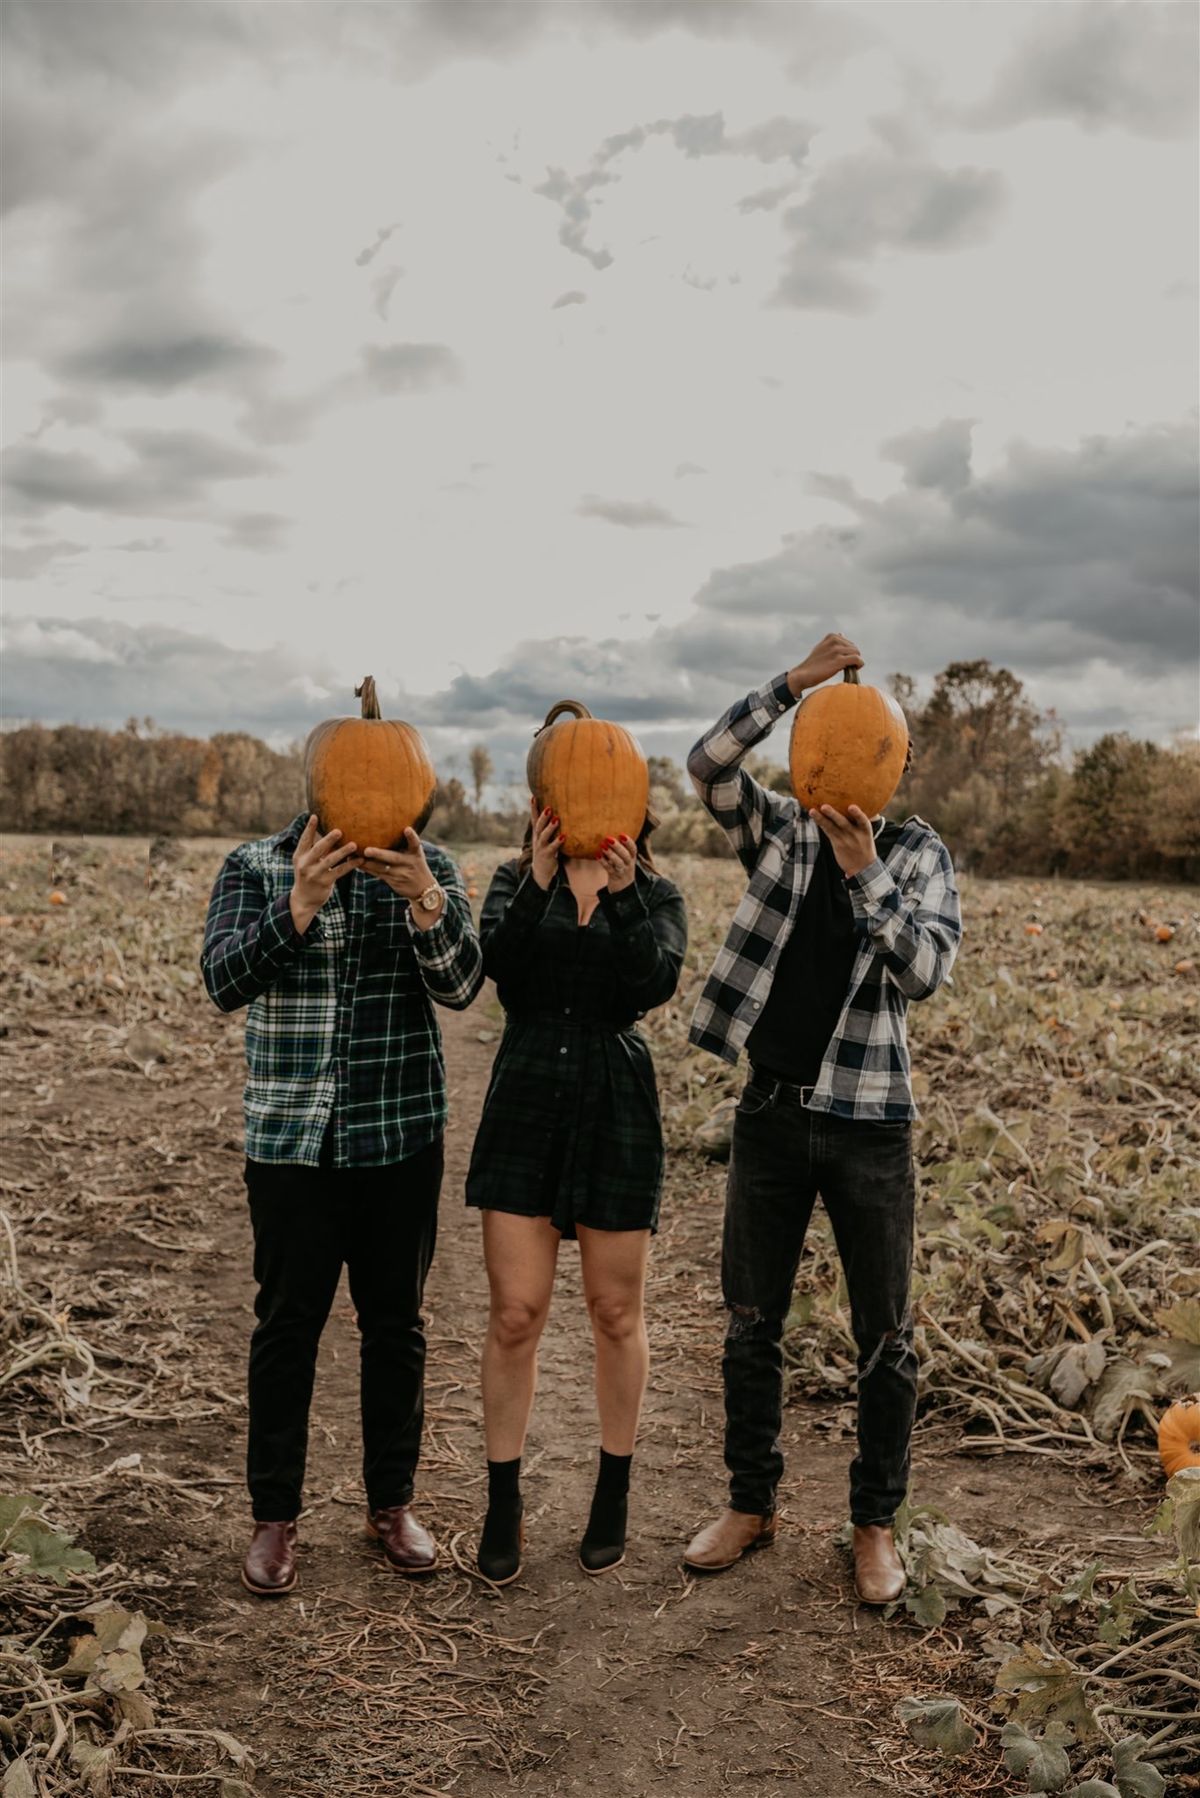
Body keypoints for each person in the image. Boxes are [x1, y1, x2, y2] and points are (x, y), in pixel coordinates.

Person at [681, 633, 962, 1604]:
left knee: (884, 1335)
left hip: (870, 1124)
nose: (841, 762)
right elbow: (707, 764)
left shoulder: (921, 858)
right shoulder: (779, 832)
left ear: (895, 765)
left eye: (864, 750)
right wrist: (793, 685)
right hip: (770, 1109)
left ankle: (874, 1524)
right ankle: (750, 1503)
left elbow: (925, 970)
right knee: (751, 1320)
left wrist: (864, 871)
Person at [202, 812, 483, 1596]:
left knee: (396, 1324)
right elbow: (224, 980)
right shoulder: (255, 864)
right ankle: (274, 1516)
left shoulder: (433, 866)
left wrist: (425, 897)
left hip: (399, 1134)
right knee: (287, 1324)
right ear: (322, 782)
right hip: (292, 1139)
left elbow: (461, 988)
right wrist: (299, 903)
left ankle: (390, 1505)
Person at [465, 791, 687, 1583]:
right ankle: (503, 1500)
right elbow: (500, 968)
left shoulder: (657, 895)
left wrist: (622, 900)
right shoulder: (513, 880)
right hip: (526, 1093)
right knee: (515, 1314)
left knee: (615, 1311)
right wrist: (538, 876)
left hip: (615, 1099)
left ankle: (613, 1492)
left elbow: (652, 985)